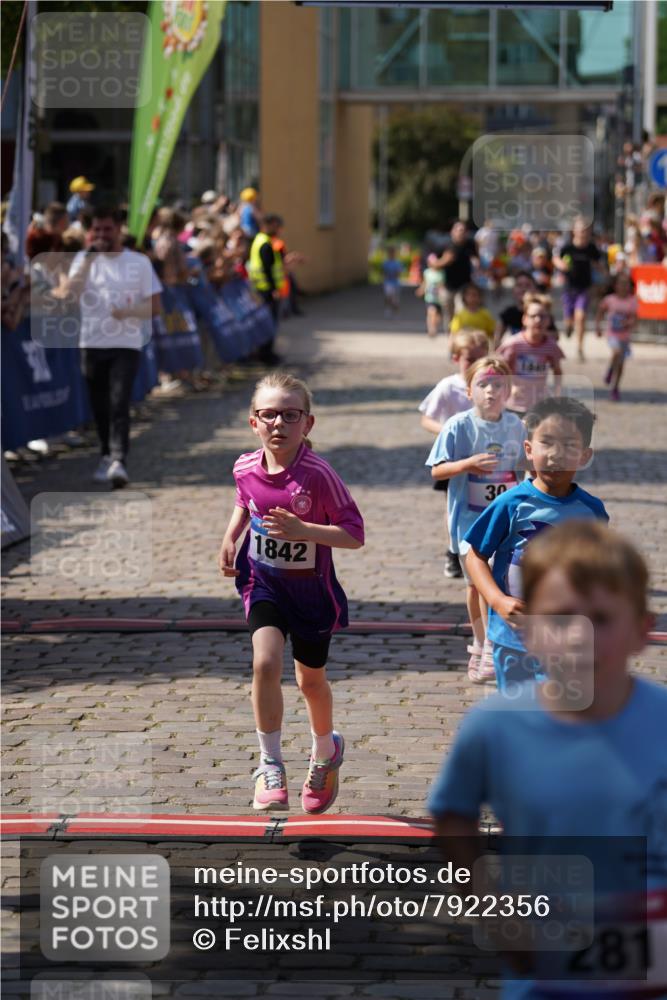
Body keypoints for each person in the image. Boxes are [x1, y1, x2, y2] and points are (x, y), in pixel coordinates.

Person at [429, 520, 667, 999]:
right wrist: (490, 909)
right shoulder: (494, 726)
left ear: (642, 630)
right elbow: (452, 814)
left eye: (600, 619)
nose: (578, 636)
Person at [218, 372, 365, 814]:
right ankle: (270, 762)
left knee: (310, 681)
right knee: (264, 661)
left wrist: (305, 530)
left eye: (289, 414)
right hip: (262, 582)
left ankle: (325, 751)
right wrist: (231, 536)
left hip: (311, 593)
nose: (278, 423)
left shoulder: (319, 475)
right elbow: (246, 501)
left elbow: (354, 534)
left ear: (308, 423)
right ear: (253, 422)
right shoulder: (244, 466)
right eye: (269, 415)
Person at [464, 396, 608, 691]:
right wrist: (498, 600)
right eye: (547, 442)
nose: (556, 454)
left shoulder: (593, 511)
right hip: (514, 640)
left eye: (569, 445)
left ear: (584, 455)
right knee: (522, 718)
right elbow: (475, 556)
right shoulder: (511, 503)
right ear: (529, 449)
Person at [426, 357, 526, 683]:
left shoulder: (516, 426)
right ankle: (482, 642)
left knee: (496, 582)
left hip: (506, 518)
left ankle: (494, 648)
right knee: (475, 585)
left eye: (498, 385)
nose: (490, 391)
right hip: (468, 517)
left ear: (508, 391)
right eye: (482, 384)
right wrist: (467, 464)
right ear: (469, 390)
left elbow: (527, 466)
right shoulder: (458, 426)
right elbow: (437, 470)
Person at [62, 206, 162, 488]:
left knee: (119, 402)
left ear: (119, 229)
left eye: (107, 229)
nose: (102, 235)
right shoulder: (83, 259)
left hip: (126, 344)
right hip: (91, 342)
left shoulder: (139, 262)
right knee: (99, 406)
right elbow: (70, 295)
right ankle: (106, 454)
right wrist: (86, 263)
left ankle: (119, 460)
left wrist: (128, 313)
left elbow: (155, 306)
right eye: (97, 230)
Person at [419, 329, 488, 578]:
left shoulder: (489, 385)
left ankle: (481, 549)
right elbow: (426, 419)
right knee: (454, 506)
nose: (474, 365)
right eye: (470, 359)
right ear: (456, 358)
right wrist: (448, 430)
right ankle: (453, 550)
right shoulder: (448, 386)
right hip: (453, 458)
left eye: (480, 359)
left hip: (484, 457)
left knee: (482, 503)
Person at [497, 293, 564, 418]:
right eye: (533, 316)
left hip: (539, 406)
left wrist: (557, 396)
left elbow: (557, 371)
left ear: (549, 320)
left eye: (543, 316)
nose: (538, 320)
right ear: (524, 319)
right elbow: (499, 371)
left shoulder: (551, 346)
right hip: (513, 405)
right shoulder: (513, 344)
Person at [554, 219, 603, 361]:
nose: (583, 233)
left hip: (585, 288)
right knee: (569, 319)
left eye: (586, 230)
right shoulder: (567, 247)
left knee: (581, 317)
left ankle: (580, 348)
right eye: (581, 230)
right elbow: (556, 258)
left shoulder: (591, 248)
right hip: (569, 288)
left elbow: (597, 263)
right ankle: (568, 326)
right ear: (574, 231)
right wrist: (561, 265)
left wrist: (604, 274)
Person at [595, 271, 638, 402]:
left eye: (626, 284)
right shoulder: (610, 299)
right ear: (615, 286)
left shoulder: (632, 301)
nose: (624, 286)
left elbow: (635, 319)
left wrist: (628, 323)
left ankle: (615, 388)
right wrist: (598, 326)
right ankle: (609, 371)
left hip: (625, 336)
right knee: (616, 352)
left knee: (621, 364)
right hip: (612, 334)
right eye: (621, 284)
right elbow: (600, 312)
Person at [248, 214, 285, 366]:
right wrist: (273, 289)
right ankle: (266, 355)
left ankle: (267, 353)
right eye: (277, 226)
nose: (279, 229)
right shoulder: (265, 243)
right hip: (265, 290)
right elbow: (267, 268)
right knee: (269, 323)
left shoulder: (260, 240)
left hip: (261, 288)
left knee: (266, 322)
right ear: (268, 225)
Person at [434, 220, 479, 323]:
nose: (461, 233)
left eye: (463, 230)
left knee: (461, 311)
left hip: (464, 285)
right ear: (452, 232)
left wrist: (476, 262)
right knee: (449, 315)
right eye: (459, 230)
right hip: (447, 286)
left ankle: (460, 336)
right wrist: (445, 261)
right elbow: (433, 265)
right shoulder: (444, 245)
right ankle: (451, 336)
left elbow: (477, 258)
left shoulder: (470, 244)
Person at [494, 271, 537, 344]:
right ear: (513, 290)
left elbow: (554, 336)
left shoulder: (541, 313)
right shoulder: (508, 313)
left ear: (535, 289)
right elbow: (497, 339)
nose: (523, 289)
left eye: (528, 285)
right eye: (519, 285)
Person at [449, 282, 495, 349]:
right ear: (464, 297)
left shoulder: (485, 314)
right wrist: (451, 345)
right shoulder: (460, 315)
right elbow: (454, 332)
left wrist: (493, 346)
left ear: (480, 297)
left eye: (474, 295)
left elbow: (491, 332)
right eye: (469, 295)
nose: (472, 297)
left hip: (481, 349)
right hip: (464, 348)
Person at [415, 252, 444, 336]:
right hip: (430, 297)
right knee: (431, 312)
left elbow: (442, 285)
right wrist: (421, 290)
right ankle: (431, 328)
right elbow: (425, 283)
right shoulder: (427, 272)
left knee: (438, 315)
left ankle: (435, 325)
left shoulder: (441, 273)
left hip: (439, 298)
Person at [381, 245, 402, 318]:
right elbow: (383, 272)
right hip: (388, 282)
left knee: (395, 300)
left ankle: (396, 312)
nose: (391, 254)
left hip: (395, 283)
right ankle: (388, 309)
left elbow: (399, 273)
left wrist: (395, 274)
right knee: (388, 296)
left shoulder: (397, 263)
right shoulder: (386, 263)